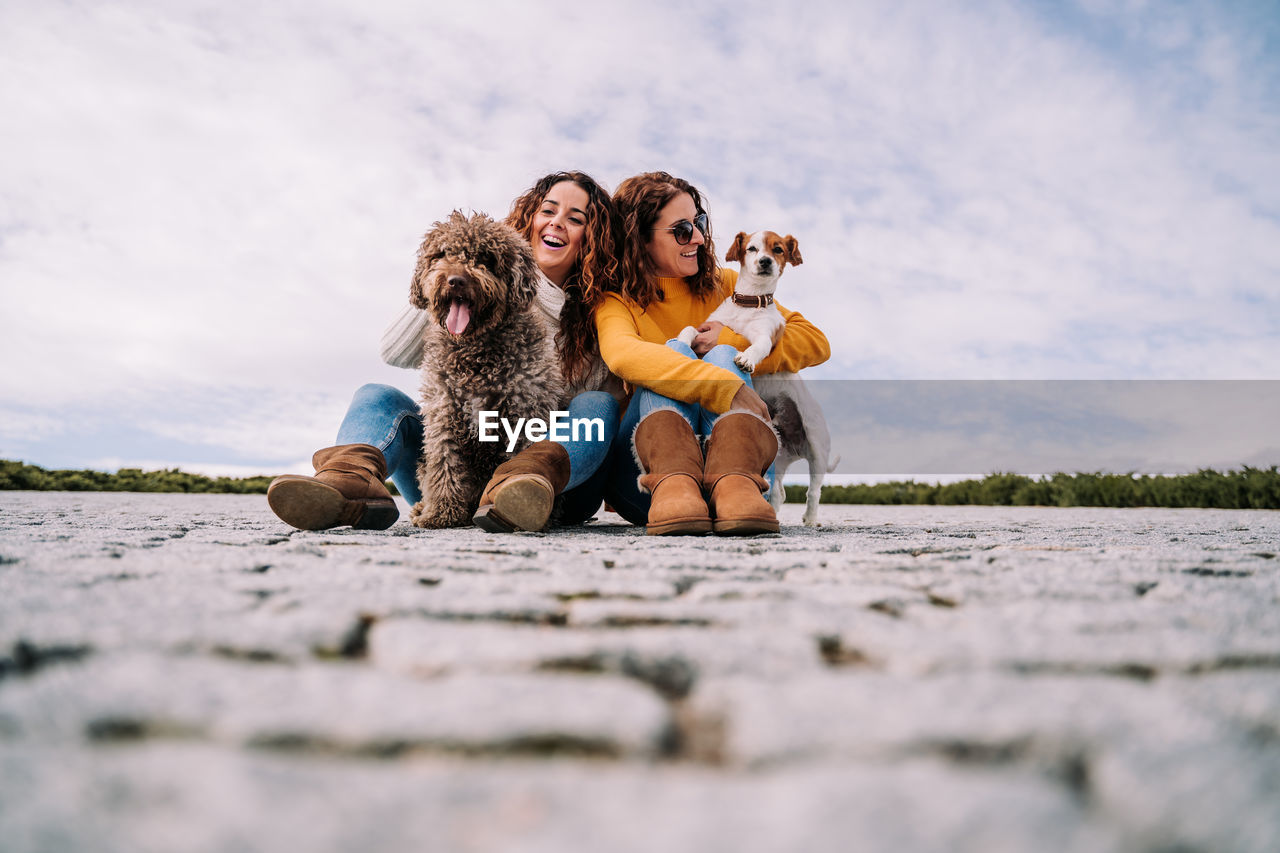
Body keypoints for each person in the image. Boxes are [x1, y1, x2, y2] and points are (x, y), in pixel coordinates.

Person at [267, 171, 624, 532]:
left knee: (596, 406)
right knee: (376, 395)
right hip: (451, 478)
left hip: (548, 471)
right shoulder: (458, 303)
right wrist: (440, 285)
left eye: (575, 219)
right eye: (548, 210)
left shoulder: (602, 311)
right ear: (531, 218)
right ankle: (347, 485)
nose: (557, 223)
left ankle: (519, 492)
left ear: (591, 238)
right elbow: (393, 352)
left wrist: (498, 269)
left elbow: (598, 420)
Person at [597, 171, 830, 535]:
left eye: (700, 223)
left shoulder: (730, 284)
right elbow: (625, 356)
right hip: (647, 482)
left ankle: (735, 483)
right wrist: (723, 385)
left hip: (737, 492)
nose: (700, 238)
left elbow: (815, 341)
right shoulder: (616, 302)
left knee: (722, 353)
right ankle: (677, 483)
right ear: (640, 238)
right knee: (670, 353)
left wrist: (736, 343)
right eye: (682, 230)